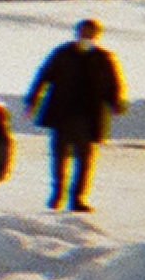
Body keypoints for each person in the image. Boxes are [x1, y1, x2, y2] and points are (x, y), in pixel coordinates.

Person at [26, 17, 126, 211]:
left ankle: (77, 198)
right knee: (59, 157)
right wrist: (32, 100)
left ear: (96, 35)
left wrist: (115, 102)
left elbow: (113, 84)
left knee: (84, 160)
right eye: (83, 32)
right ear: (77, 33)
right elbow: (43, 76)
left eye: (90, 33)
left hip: (88, 118)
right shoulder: (62, 54)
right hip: (62, 115)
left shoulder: (103, 58)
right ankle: (57, 195)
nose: (86, 36)